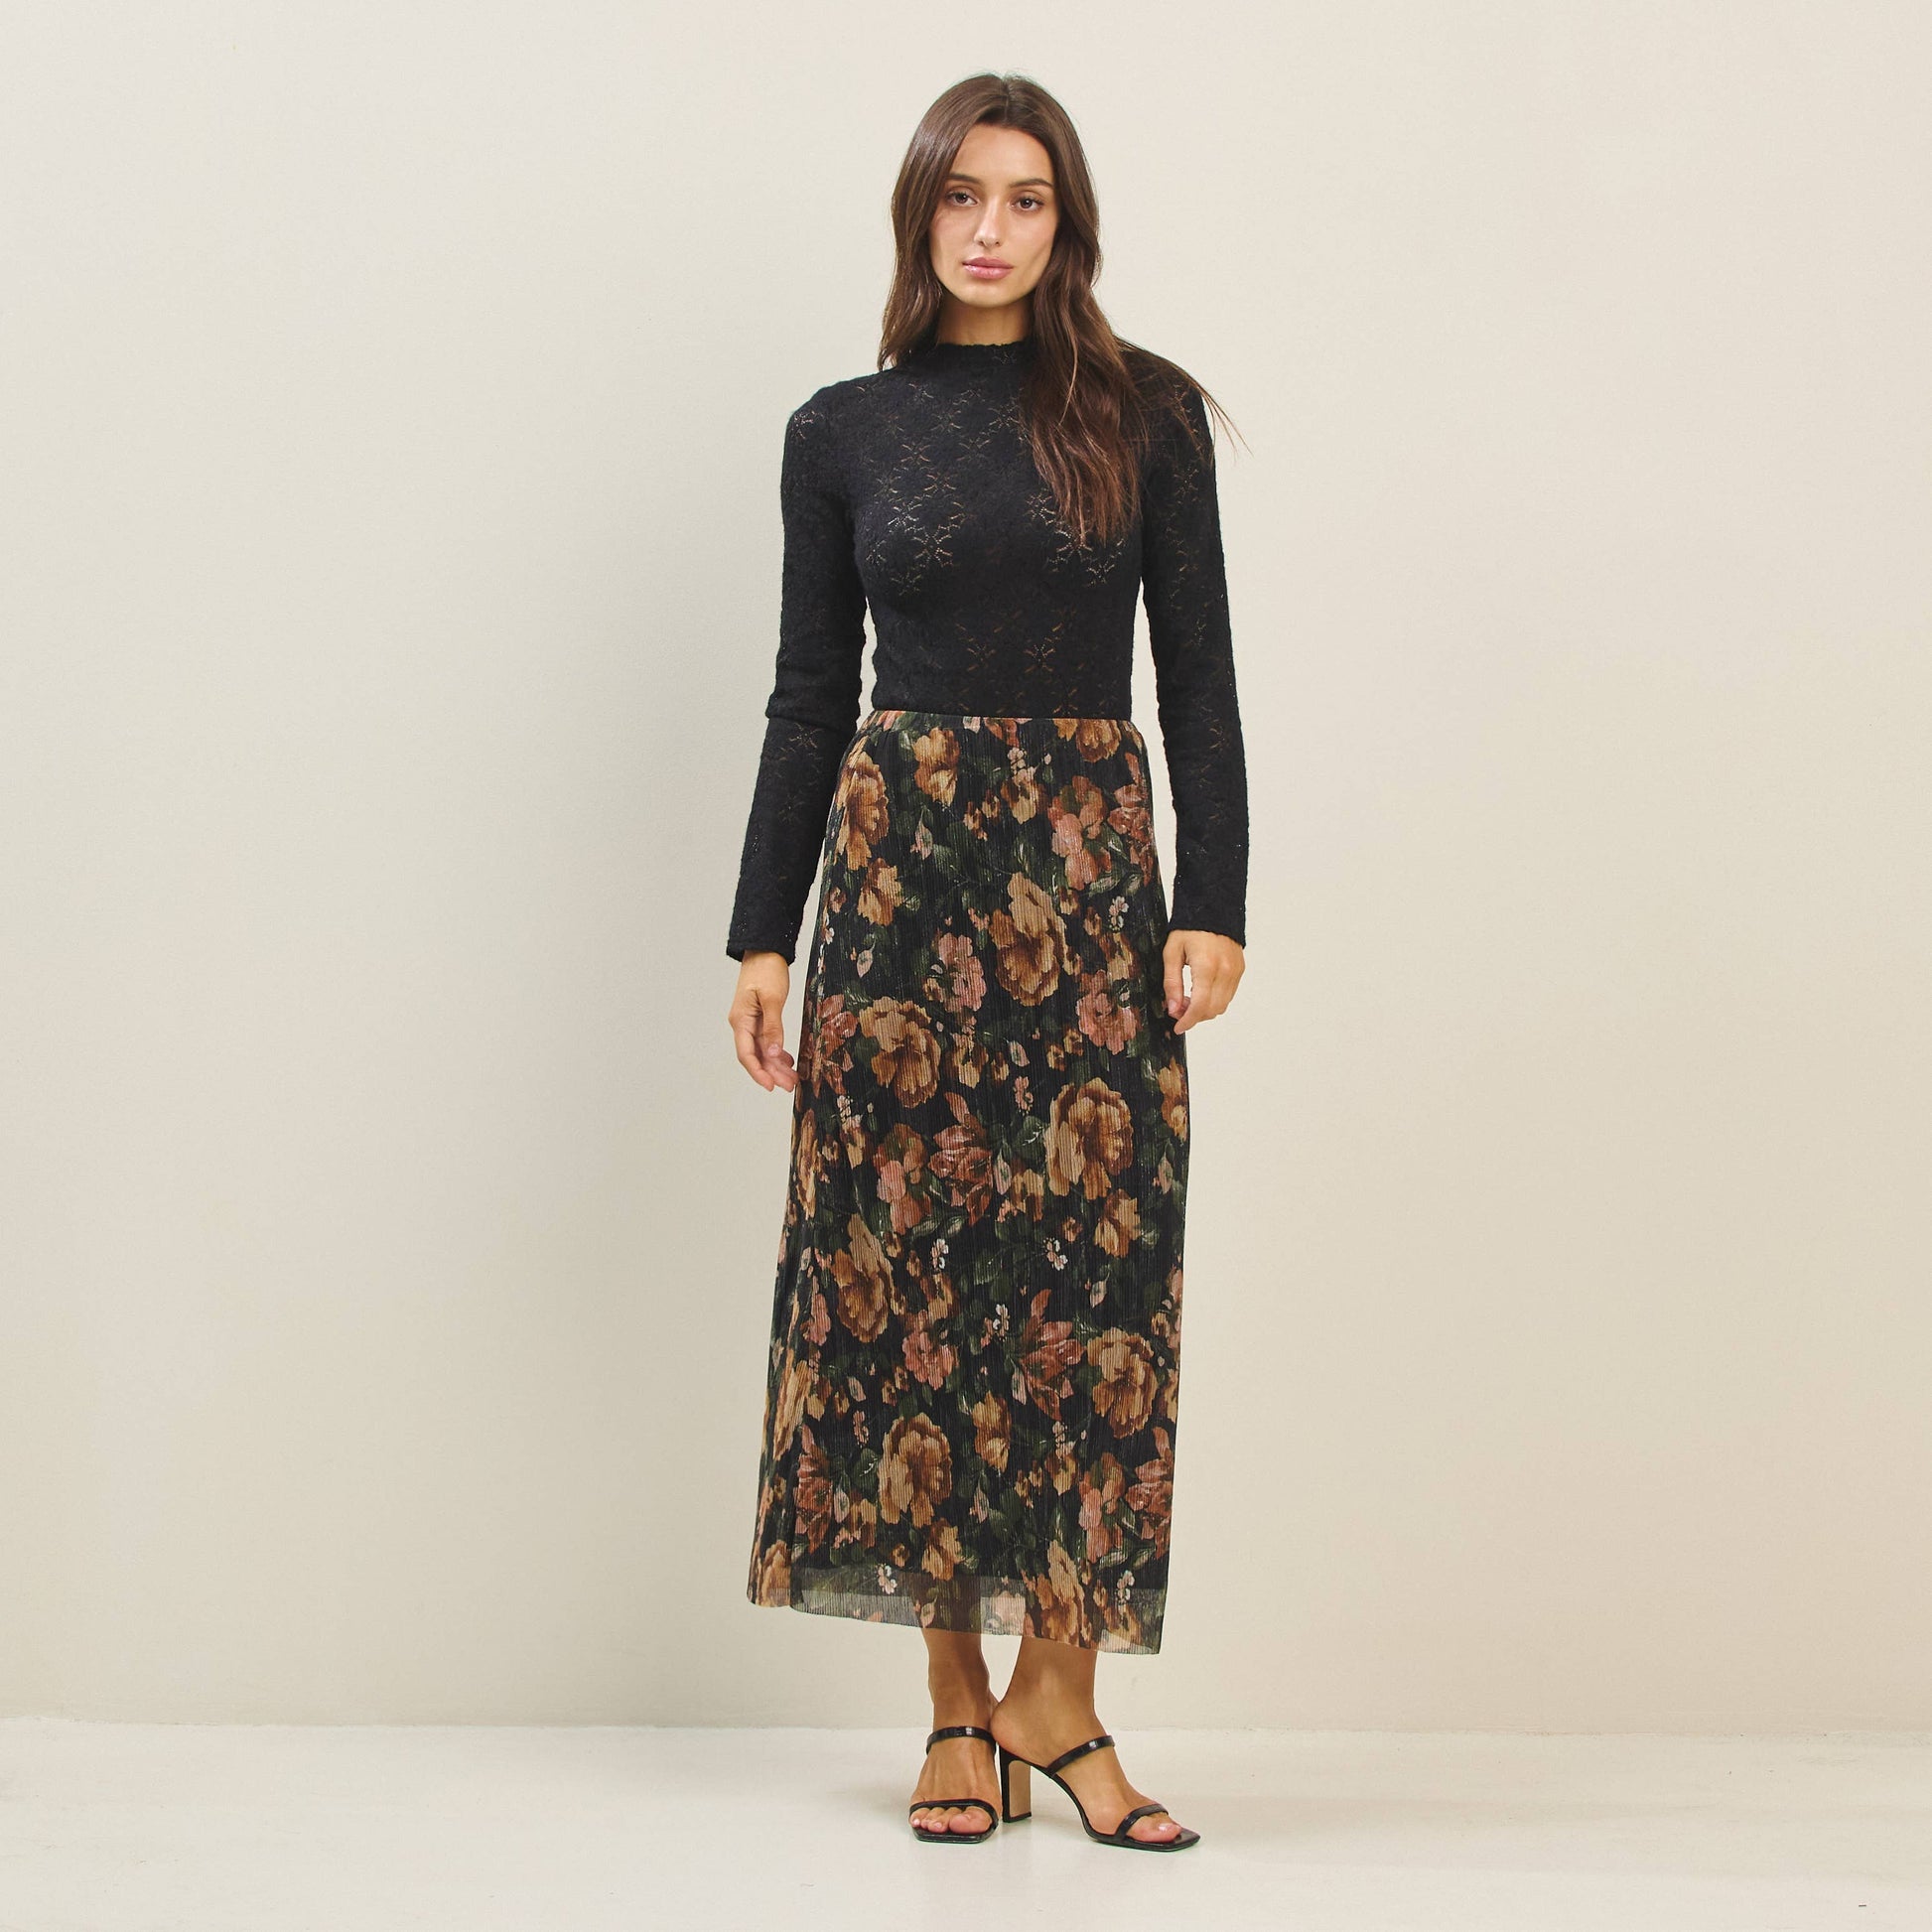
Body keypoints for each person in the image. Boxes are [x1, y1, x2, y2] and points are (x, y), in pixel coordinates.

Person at [724, 72, 1248, 1852]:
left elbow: (1198, 677)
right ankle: (958, 1702)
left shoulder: (1145, 416)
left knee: (1094, 1284)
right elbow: (809, 698)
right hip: (897, 879)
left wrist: (1212, 895)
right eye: (962, 195)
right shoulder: (841, 432)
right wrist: (760, 932)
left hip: (1090, 873)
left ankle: (1062, 1696)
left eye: (1025, 198)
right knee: (909, 1272)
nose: (990, 229)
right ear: (919, 214)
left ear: (1064, 223)